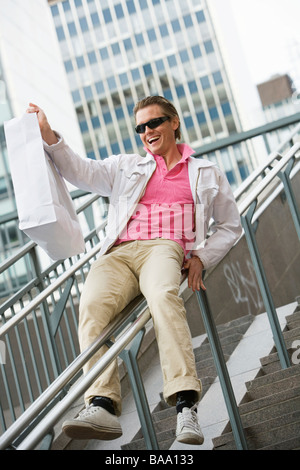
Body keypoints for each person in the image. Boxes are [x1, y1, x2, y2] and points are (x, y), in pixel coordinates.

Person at [27, 96, 242, 446]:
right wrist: (48, 133)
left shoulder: (205, 172)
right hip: (119, 252)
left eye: (154, 123)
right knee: (92, 305)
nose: (147, 132)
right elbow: (81, 171)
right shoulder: (128, 166)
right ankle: (102, 404)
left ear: (174, 122)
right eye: (140, 127)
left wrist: (202, 256)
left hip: (165, 246)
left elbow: (231, 226)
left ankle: (185, 403)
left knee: (161, 295)